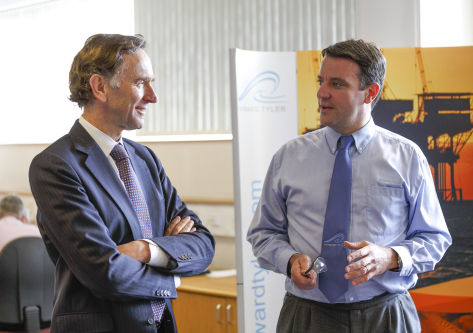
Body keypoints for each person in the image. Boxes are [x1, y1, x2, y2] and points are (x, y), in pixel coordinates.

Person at [247, 38, 451, 333]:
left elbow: (435, 239)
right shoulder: (288, 157)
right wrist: (289, 259)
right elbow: (263, 233)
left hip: (387, 314)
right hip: (307, 315)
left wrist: (390, 257)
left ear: (370, 93)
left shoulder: (407, 157)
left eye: (337, 84)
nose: (321, 92)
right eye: (321, 81)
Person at [29, 34, 215, 333]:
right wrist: (173, 275)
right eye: (141, 83)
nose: (153, 96)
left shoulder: (145, 160)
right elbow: (106, 273)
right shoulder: (55, 165)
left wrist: (145, 249)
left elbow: (203, 245)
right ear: (100, 87)